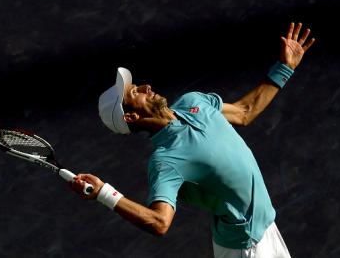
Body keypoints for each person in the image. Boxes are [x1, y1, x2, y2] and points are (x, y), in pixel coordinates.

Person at [71, 22, 315, 258]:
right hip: (245, 247)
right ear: (132, 116)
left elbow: (245, 111)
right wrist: (105, 193)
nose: (146, 87)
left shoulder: (193, 101)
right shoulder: (165, 160)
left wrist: (284, 68)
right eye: (135, 92)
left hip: (268, 229)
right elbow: (159, 222)